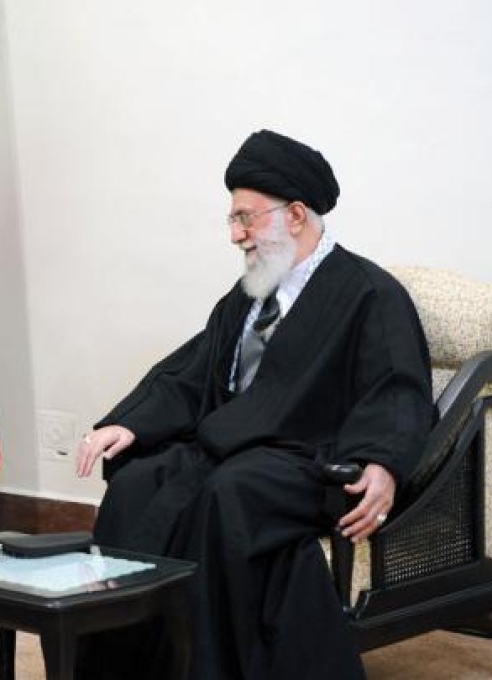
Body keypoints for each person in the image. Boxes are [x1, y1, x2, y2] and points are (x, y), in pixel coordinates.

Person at [74, 130, 435, 679]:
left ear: (296, 215)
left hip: (309, 460)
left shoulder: (368, 292)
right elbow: (194, 372)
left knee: (230, 492)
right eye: (233, 220)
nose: (236, 235)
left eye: (246, 218)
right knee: (135, 484)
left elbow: (398, 389)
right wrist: (131, 424)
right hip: (233, 449)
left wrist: (382, 462)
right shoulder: (249, 295)